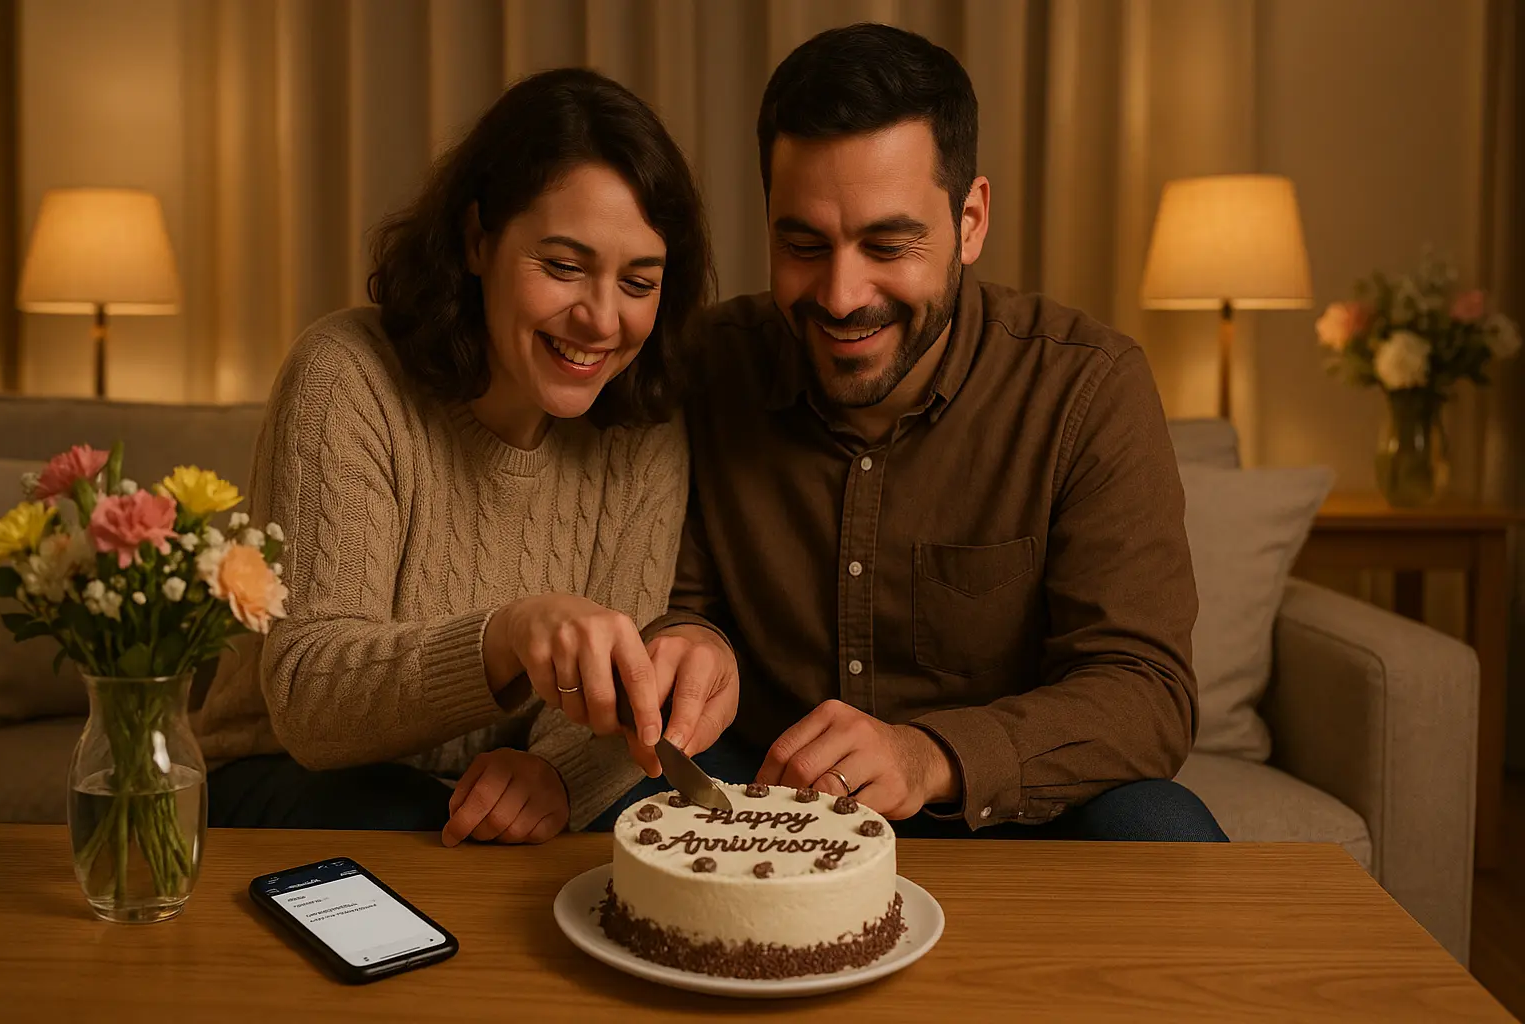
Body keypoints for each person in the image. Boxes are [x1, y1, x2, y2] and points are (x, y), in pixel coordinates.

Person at [616, 24, 1227, 842]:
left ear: (969, 220)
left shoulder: (1087, 385)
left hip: (1002, 812)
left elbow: (1144, 688)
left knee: (1162, 824)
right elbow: (669, 601)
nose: (839, 295)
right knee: (617, 810)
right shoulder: (704, 367)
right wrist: (685, 641)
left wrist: (929, 755)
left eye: (887, 244)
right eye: (803, 245)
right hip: (763, 803)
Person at [193, 68, 737, 843]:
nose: (601, 320)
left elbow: (622, 706)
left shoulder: (642, 422)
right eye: (563, 266)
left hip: (469, 797)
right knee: (425, 825)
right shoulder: (345, 376)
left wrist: (555, 779)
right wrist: (506, 637)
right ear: (479, 239)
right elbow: (309, 701)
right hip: (283, 778)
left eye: (639, 281)